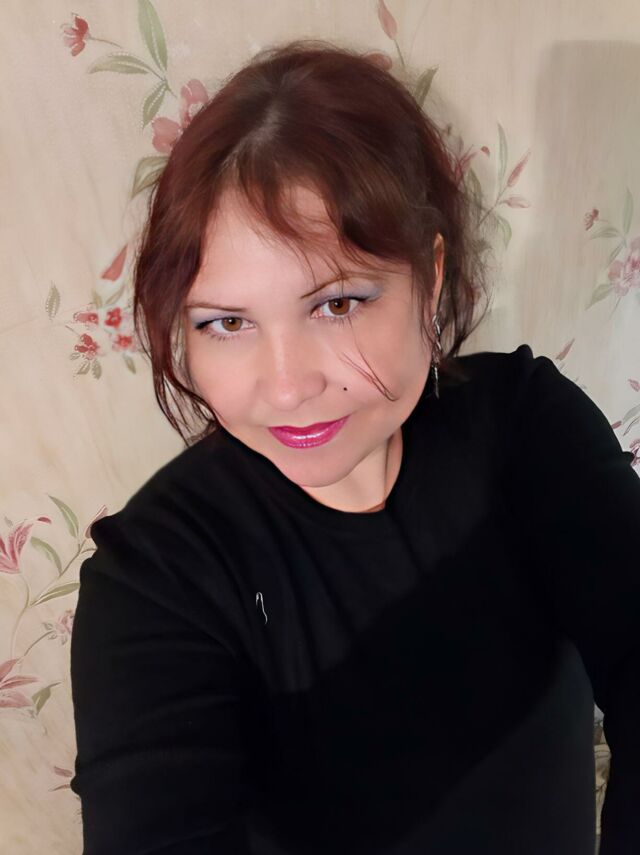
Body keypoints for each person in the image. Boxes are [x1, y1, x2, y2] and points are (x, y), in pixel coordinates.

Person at [69, 39, 640, 855]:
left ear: (430, 278)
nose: (287, 386)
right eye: (226, 322)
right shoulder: (155, 579)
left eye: (337, 304)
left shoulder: (522, 426)